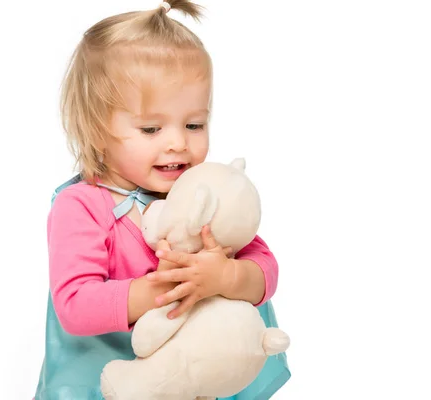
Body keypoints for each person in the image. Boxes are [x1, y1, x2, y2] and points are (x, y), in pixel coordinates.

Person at [34, 1, 289, 399]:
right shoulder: (82, 206)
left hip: (197, 377)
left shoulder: (205, 191)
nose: (178, 143)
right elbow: (74, 304)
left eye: (194, 124)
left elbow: (264, 264)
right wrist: (169, 289)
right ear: (97, 130)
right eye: (151, 128)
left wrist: (226, 277)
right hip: (107, 380)